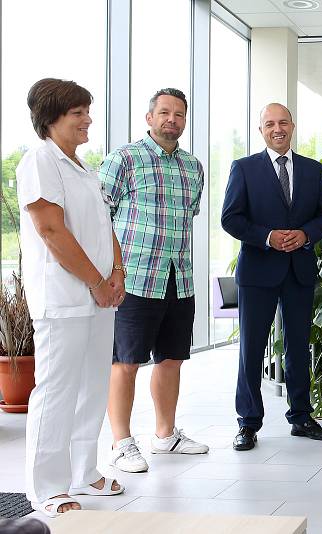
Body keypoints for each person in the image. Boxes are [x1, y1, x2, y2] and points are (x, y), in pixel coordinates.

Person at [18, 78, 124, 517]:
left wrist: (116, 273)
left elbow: (104, 228)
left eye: (87, 111)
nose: (88, 120)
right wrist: (96, 282)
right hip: (63, 298)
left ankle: (84, 470)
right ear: (52, 117)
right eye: (78, 113)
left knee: (92, 388)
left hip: (99, 298)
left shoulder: (84, 168)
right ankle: (46, 486)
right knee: (58, 390)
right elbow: (51, 231)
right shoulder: (40, 162)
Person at [98, 88, 207, 473]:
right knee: (125, 361)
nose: (172, 120)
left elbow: (187, 216)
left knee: (172, 359)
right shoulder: (123, 159)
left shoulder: (193, 166)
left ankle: (165, 435)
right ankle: (121, 443)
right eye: (164, 112)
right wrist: (111, 271)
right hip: (135, 278)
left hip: (180, 277)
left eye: (179, 114)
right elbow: (99, 218)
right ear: (149, 118)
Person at [222, 103, 322, 450]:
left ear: (293, 126)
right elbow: (231, 218)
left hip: (299, 269)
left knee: (299, 346)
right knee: (252, 350)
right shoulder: (244, 168)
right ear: (261, 130)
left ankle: (301, 417)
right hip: (258, 270)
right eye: (269, 124)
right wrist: (268, 237)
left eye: (282, 122)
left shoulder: (313, 170)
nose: (277, 128)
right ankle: (248, 423)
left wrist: (305, 235)